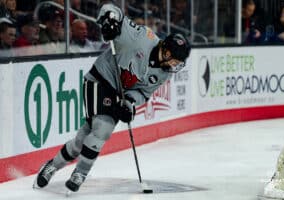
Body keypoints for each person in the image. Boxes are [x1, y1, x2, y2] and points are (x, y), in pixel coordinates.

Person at [34, 2, 191, 193]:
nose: (176, 65)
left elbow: (143, 92)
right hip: (99, 79)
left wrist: (129, 103)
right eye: (176, 60)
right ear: (166, 52)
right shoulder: (141, 37)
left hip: (118, 93)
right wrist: (110, 22)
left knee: (83, 139)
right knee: (103, 129)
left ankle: (52, 165)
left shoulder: (164, 73)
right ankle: (80, 173)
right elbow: (112, 10)